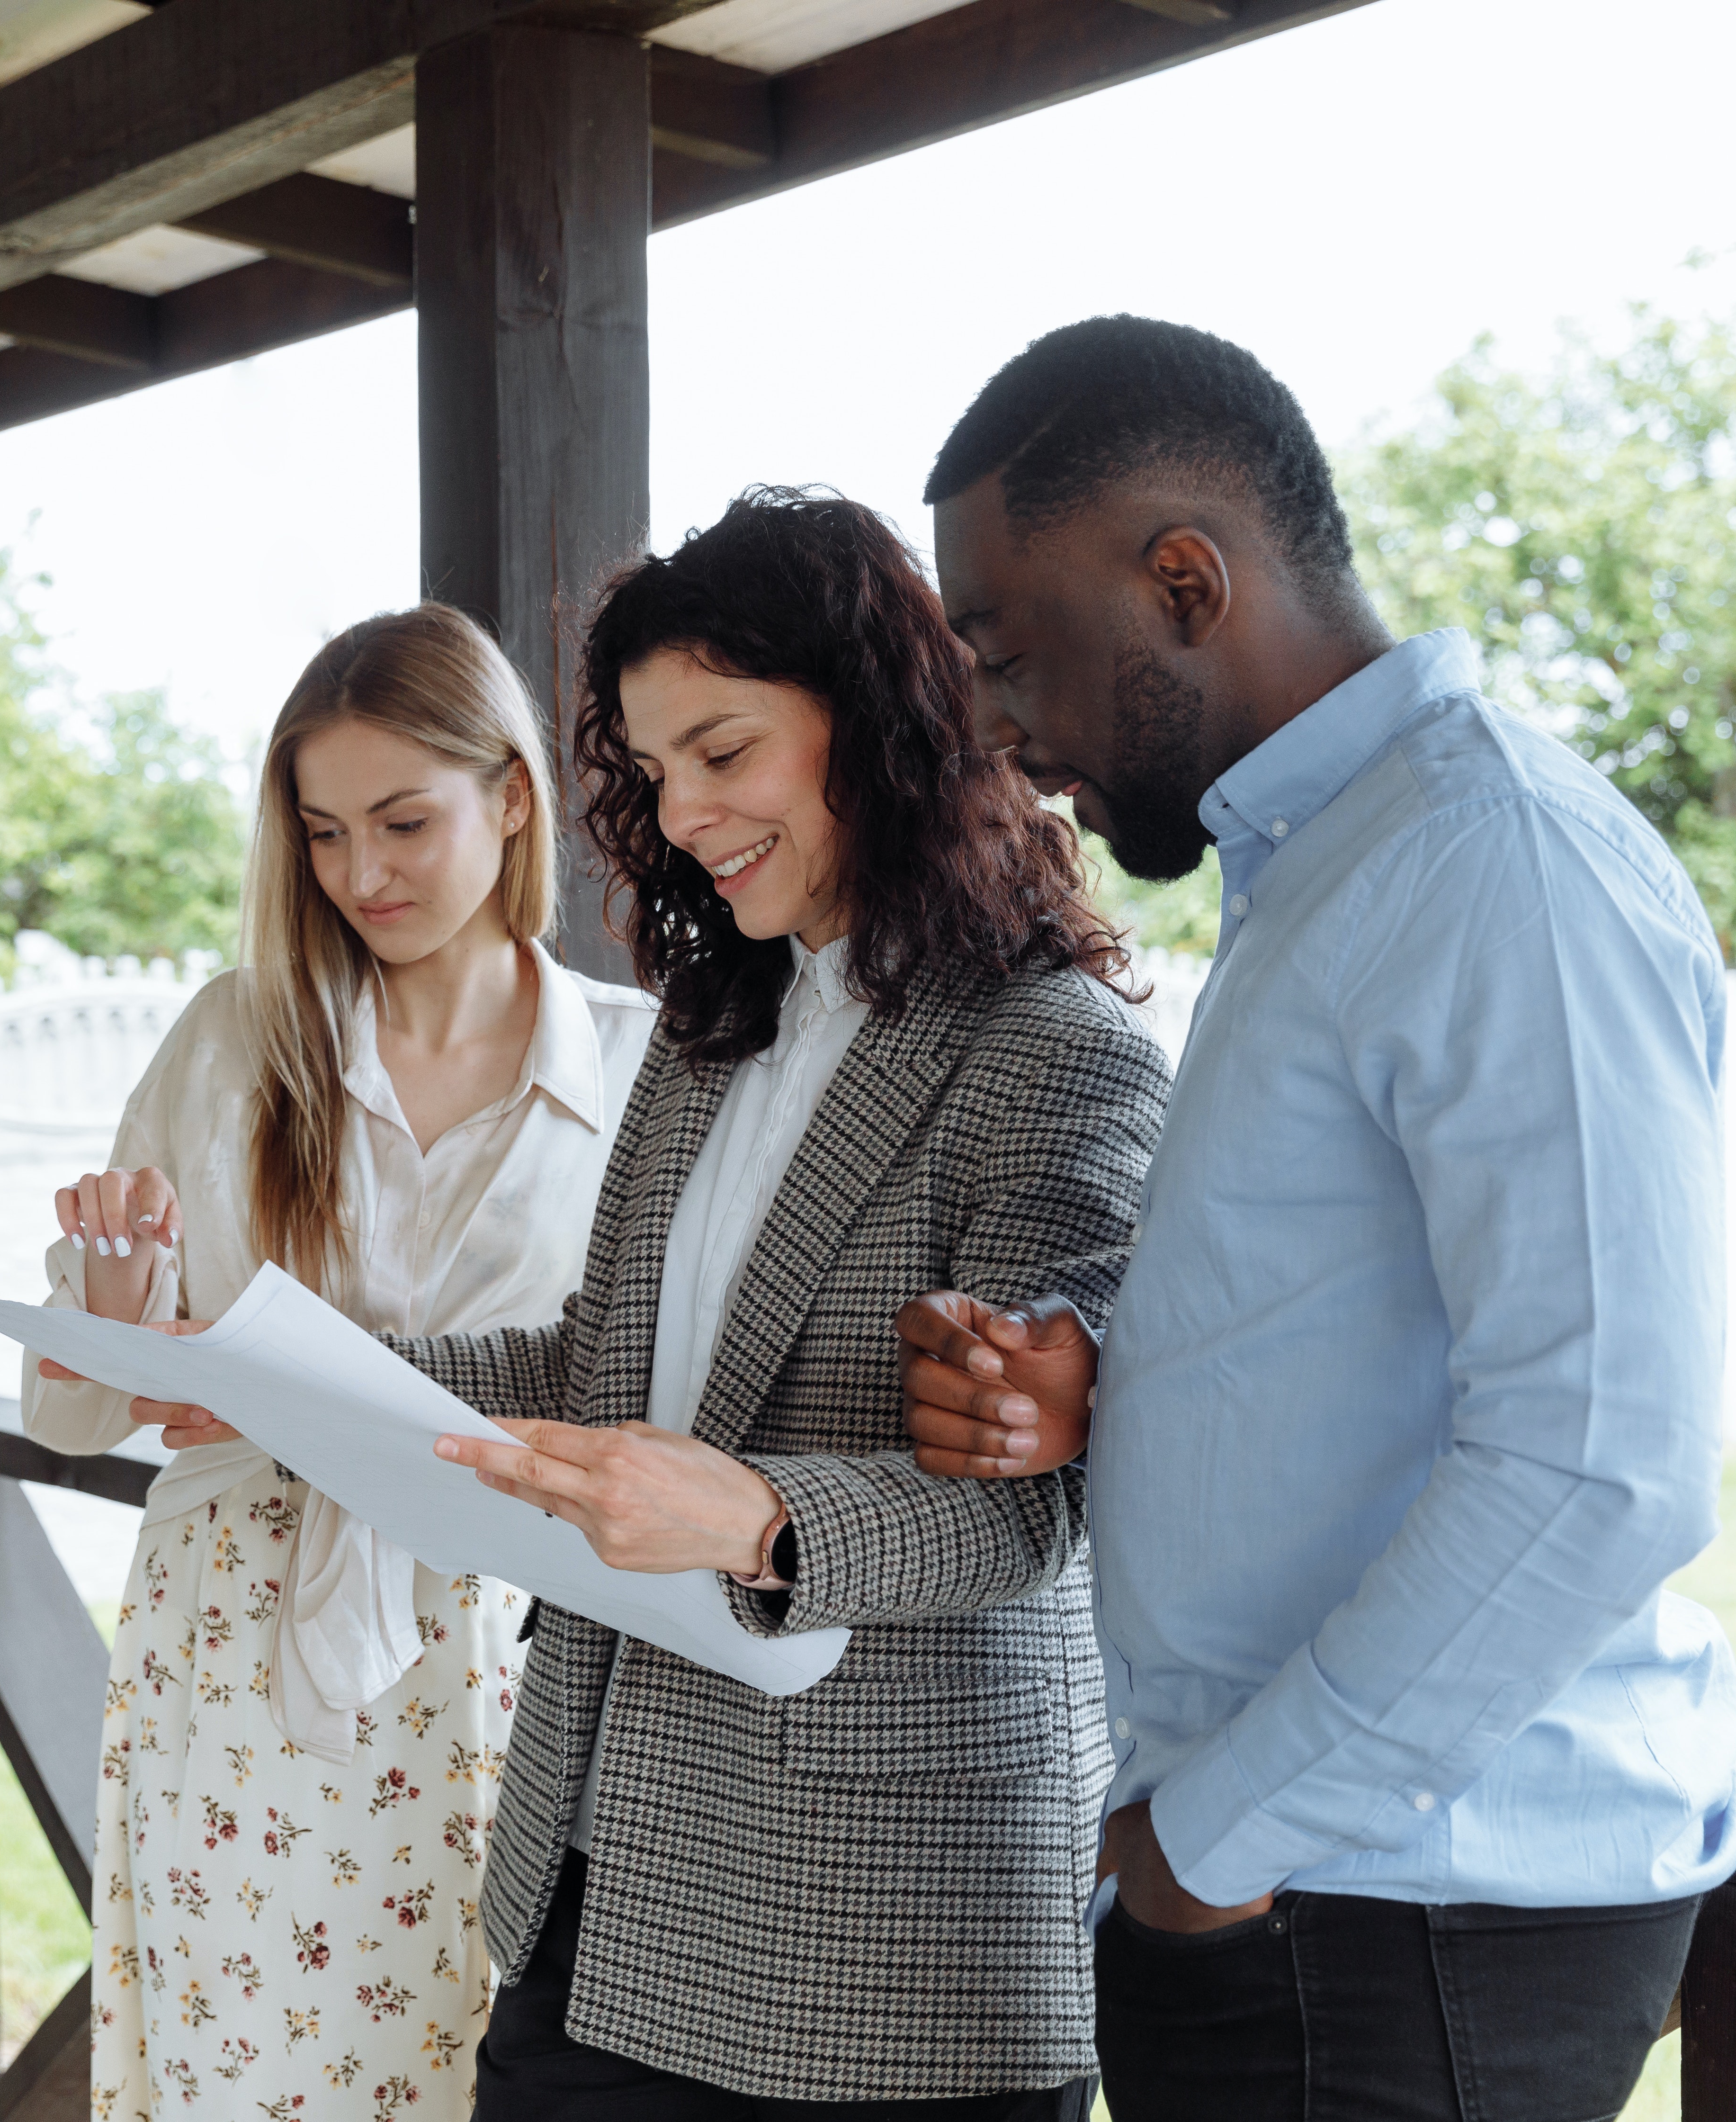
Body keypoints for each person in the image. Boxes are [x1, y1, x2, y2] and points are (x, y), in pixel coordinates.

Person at [900, 315, 1736, 2122]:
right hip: (1322, 1906)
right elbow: (1362, 1325)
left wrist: (1219, 1838)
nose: (999, 730)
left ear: (1185, 582)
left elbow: (1604, 1455)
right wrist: (1121, 1383)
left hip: (1398, 1922)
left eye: (1004, 652)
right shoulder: (1331, 865)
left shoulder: (1490, 861)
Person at [376, 489, 1171, 2117]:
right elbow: (606, 1368)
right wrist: (297, 1372)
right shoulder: (707, 1035)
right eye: (658, 773)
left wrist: (758, 1521)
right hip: (599, 1884)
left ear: (877, 726)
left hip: (891, 1944)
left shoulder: (1058, 1053)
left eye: (724, 753)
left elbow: (1053, 1501)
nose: (683, 815)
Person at [20, 604, 659, 2122]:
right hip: (230, 1659)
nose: (360, 875)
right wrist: (118, 1287)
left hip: (520, 1656)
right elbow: (69, 1413)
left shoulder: (652, 1064)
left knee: (494, 2081)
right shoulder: (235, 1041)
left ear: (513, 799)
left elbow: (660, 1387)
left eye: (401, 822)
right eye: (320, 833)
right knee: (244, 2082)